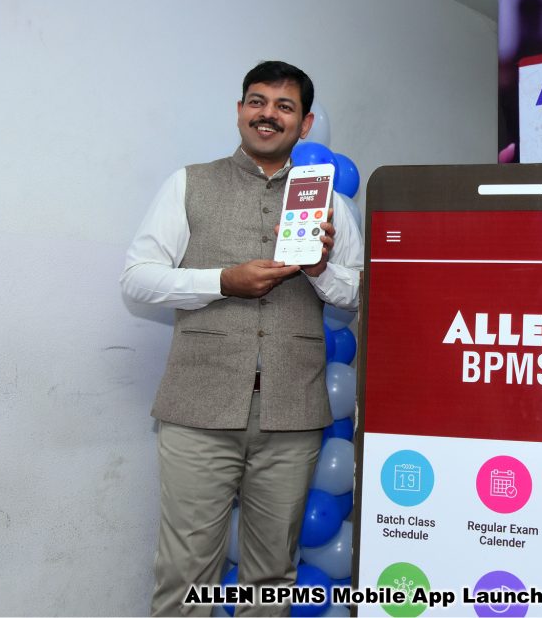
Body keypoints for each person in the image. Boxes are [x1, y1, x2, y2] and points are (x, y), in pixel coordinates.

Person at [121, 61, 363, 616]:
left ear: (304, 124)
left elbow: (355, 295)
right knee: (185, 573)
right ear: (240, 111)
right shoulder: (189, 183)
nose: (268, 114)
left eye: (284, 106)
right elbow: (137, 278)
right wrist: (221, 281)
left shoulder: (328, 202)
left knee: (272, 574)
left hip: (292, 416)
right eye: (257, 102)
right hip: (198, 412)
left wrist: (319, 268)